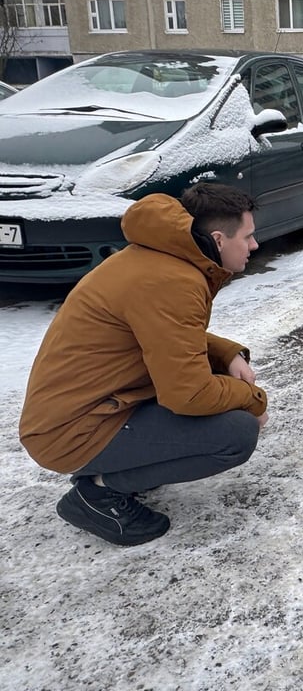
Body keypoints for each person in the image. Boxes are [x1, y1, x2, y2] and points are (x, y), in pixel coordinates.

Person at [19, 183, 270, 546]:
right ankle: (98, 494)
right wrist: (253, 398)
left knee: (211, 380)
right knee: (235, 432)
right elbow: (189, 393)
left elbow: (163, 335)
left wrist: (225, 353)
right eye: (247, 236)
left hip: (85, 410)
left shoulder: (158, 258)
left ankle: (127, 468)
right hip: (71, 432)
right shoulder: (174, 281)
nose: (254, 245)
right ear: (218, 239)